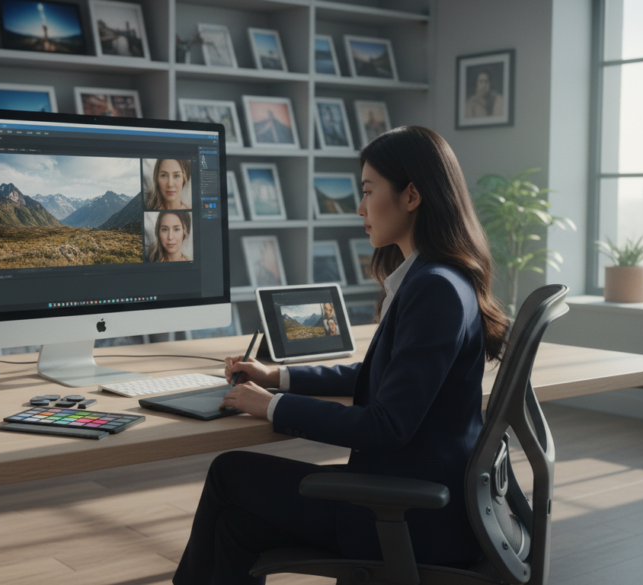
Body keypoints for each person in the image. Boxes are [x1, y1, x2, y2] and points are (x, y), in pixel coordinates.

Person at [172, 126, 510, 584]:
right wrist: (277, 377)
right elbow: (375, 375)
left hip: (412, 515)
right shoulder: (436, 278)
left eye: (369, 191)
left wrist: (269, 406)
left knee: (229, 472)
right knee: (234, 527)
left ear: (412, 195)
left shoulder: (435, 289)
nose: (360, 207)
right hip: (419, 497)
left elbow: (386, 426)